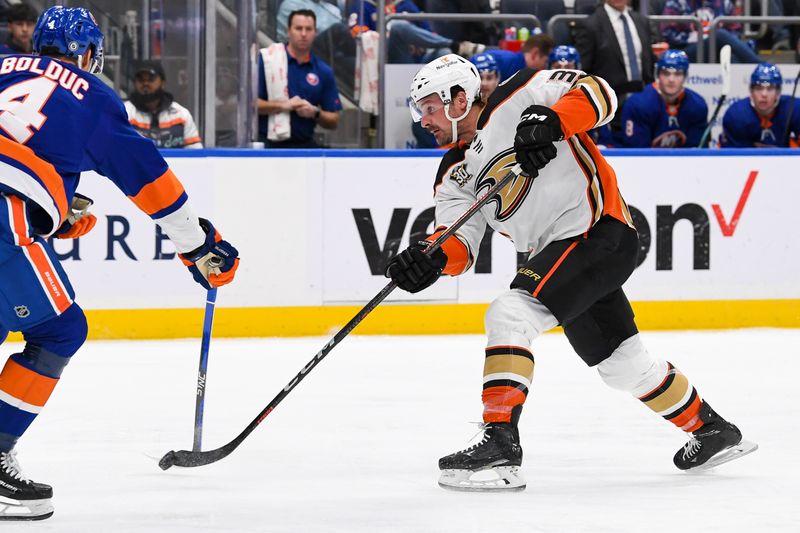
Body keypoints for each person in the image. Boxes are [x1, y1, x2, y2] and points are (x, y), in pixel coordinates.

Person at [386, 53, 756, 491]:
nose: (422, 121)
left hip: (599, 230)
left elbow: (602, 94)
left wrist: (553, 120)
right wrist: (429, 260)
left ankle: (500, 442)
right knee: (621, 364)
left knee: (510, 313)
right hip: (562, 259)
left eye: (428, 108)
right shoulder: (453, 172)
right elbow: (459, 244)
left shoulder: (520, 93)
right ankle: (712, 430)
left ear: (459, 98)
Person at [0, 7, 240, 520]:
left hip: (11, 207)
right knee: (59, 330)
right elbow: (148, 180)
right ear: (88, 54)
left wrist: (54, 213)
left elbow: (20, 148)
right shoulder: (90, 95)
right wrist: (198, 243)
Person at [258, 9, 342, 148]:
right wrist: (283, 105)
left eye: (308, 29)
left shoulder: (323, 71)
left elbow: (334, 120)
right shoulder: (268, 60)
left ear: (315, 32)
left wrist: (315, 113)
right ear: (288, 31)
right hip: (268, 145)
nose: (303, 34)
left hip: (304, 146)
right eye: (298, 28)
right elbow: (250, 104)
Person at [619, 49, 708, 148]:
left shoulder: (697, 105)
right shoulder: (638, 104)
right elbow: (637, 154)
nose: (671, 79)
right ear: (658, 74)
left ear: (685, 76)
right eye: (666, 73)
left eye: (677, 74)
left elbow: (696, 151)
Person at [348, 0, 484, 64]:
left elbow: (428, 32)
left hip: (418, 56)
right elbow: (357, 31)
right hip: (390, 58)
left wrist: (419, 41)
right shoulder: (363, 5)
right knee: (397, 26)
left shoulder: (405, 4)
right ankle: (455, 45)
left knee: (444, 54)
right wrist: (385, 36)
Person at [574, 0, 656, 104]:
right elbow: (583, 70)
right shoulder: (590, 25)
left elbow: (649, 62)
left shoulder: (641, 21)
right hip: (609, 102)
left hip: (644, 98)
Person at [123, 60, 203, 149]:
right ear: (135, 83)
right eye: (141, 80)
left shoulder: (181, 115)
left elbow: (195, 153)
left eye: (151, 79)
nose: (145, 83)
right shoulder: (124, 112)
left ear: (163, 83)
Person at [721, 62, 800, 148]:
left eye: (769, 89)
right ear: (751, 92)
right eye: (759, 88)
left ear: (778, 93)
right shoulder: (736, 116)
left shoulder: (794, 110)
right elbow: (734, 158)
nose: (764, 94)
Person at [660, 0, 762, 63]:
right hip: (687, 51)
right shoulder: (677, 2)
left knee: (733, 56)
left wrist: (714, 41)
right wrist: (695, 37)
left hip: (718, 50)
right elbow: (667, 31)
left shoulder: (724, 3)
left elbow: (736, 30)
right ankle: (761, 65)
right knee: (719, 34)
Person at [482, 32, 554, 81]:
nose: (546, 67)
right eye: (545, 61)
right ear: (535, 54)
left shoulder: (513, 63)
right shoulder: (504, 61)